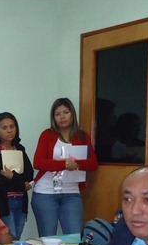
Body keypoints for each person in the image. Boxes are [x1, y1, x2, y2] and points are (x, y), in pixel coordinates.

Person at [31, 98, 98, 237]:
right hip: (45, 193)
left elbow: (93, 163)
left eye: (66, 112)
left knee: (74, 239)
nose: (62, 117)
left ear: (72, 114)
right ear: (53, 118)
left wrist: (76, 164)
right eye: (57, 114)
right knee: (48, 240)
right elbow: (38, 162)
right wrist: (64, 165)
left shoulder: (82, 136)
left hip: (72, 193)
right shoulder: (47, 135)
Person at [0, 112, 34, 239]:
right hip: (2, 202)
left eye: (12, 126)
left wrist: (12, 176)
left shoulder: (19, 148)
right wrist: (19, 182)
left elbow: (29, 174)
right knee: (9, 240)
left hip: (20, 201)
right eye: (4, 128)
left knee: (17, 238)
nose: (9, 130)